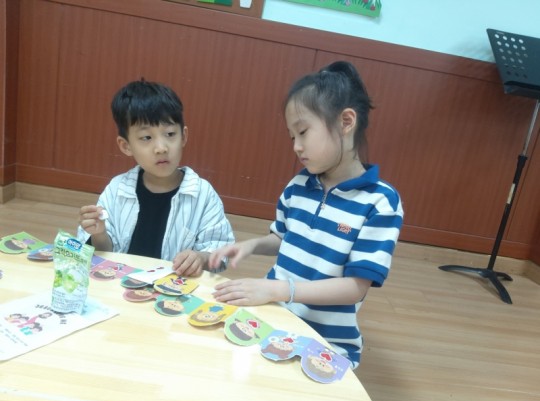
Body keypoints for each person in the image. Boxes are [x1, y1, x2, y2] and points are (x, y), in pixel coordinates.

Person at [209, 61, 404, 368]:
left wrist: (279, 290)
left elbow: (355, 287)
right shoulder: (299, 185)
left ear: (346, 121)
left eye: (303, 132)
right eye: (292, 137)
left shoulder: (380, 202)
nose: (297, 147)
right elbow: (284, 238)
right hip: (273, 317)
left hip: (326, 343)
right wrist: (252, 245)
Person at [78, 80, 234, 277]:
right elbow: (103, 254)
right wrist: (98, 233)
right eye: (146, 138)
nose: (161, 148)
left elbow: (222, 252)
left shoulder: (203, 194)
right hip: (122, 285)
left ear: (183, 136)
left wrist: (200, 258)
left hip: (174, 289)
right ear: (126, 146)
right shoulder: (116, 190)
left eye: (170, 134)